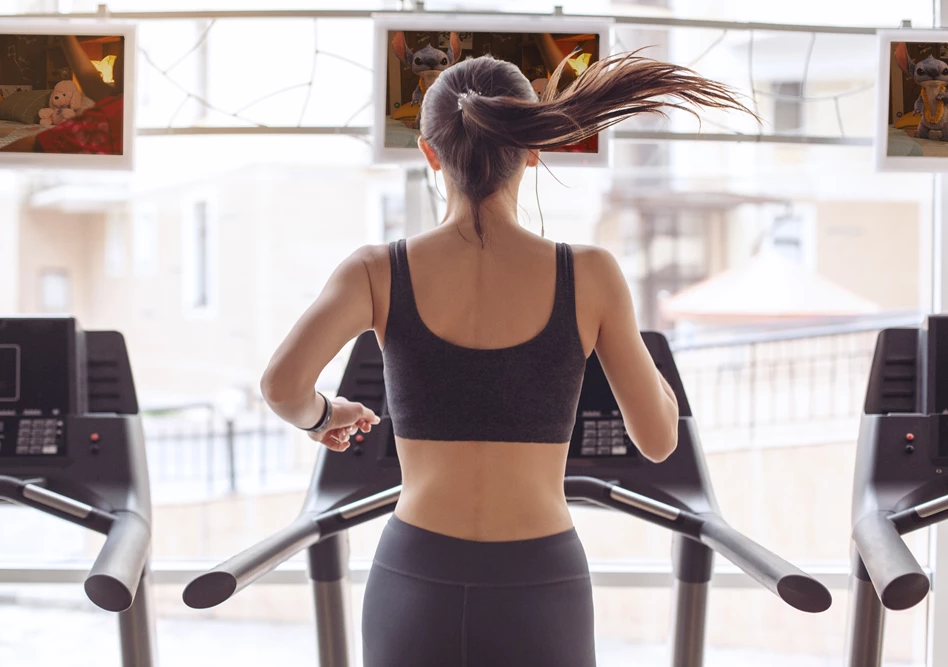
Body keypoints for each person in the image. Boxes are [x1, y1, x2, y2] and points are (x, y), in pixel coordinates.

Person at [260, 50, 753, 667]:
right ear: (533, 151)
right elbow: (658, 441)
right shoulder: (591, 275)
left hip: (415, 576)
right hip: (539, 585)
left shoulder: (377, 271)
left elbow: (281, 387)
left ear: (430, 153)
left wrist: (324, 415)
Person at [0, 35, 124, 154]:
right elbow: (93, 86)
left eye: (121, 48)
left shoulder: (110, 115)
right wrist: (67, 36)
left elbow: (34, 145)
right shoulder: (123, 102)